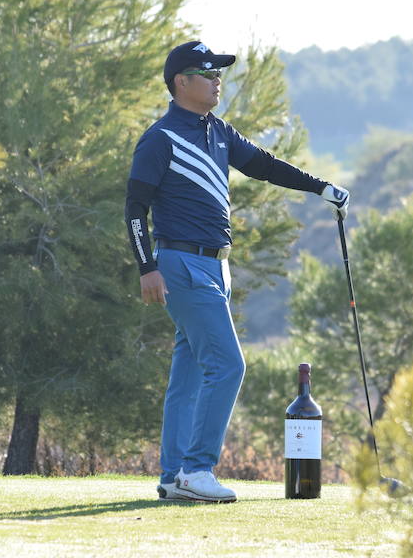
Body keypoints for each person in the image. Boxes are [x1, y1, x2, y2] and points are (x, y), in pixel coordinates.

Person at [124, 41, 349, 503]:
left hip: (215, 265)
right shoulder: (161, 138)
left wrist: (320, 187)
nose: (217, 80)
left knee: (189, 372)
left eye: (218, 73)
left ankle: (173, 476)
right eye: (207, 73)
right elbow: (133, 209)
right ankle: (197, 469)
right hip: (181, 262)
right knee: (227, 365)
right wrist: (147, 266)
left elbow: (264, 165)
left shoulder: (219, 131)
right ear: (181, 82)